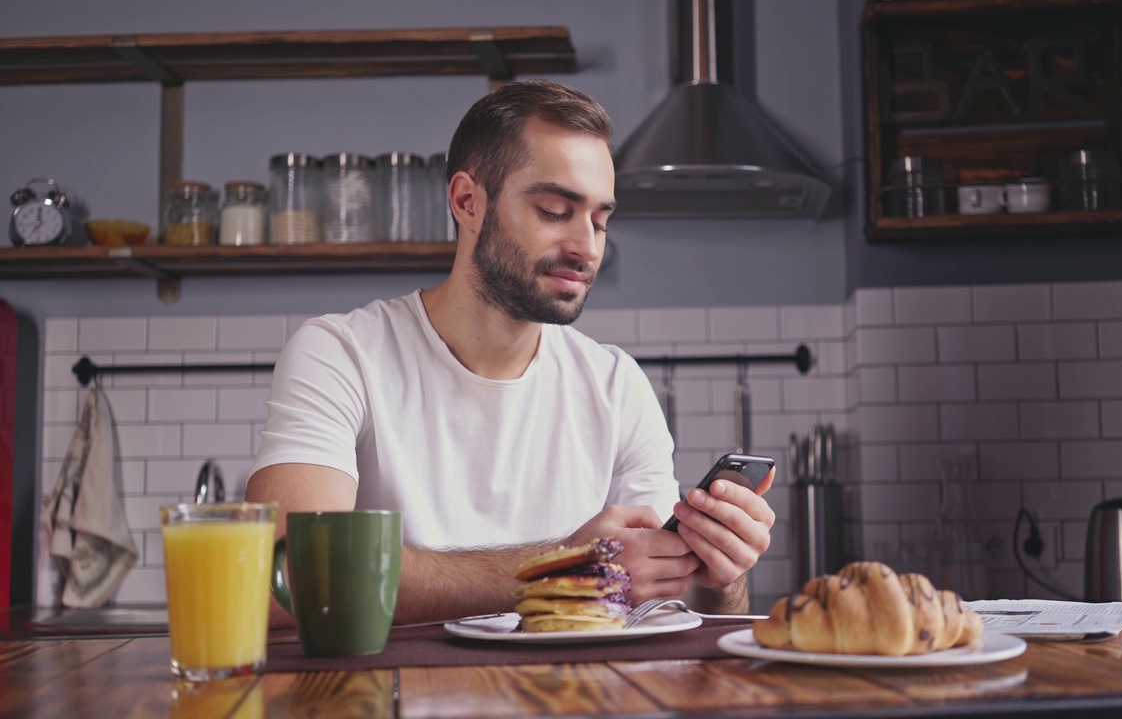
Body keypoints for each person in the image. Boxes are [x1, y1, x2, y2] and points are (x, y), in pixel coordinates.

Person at [245, 79, 775, 625]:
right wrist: (563, 568)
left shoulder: (617, 385)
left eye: (599, 220)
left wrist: (720, 576)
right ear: (467, 202)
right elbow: (286, 580)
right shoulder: (341, 354)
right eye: (553, 210)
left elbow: (663, 607)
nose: (587, 247)